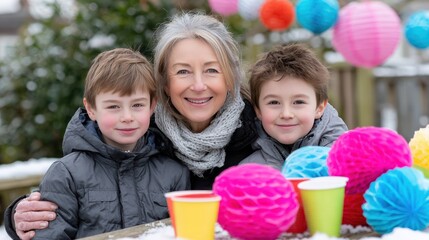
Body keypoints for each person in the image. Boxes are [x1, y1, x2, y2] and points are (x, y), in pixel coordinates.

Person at [5, 12, 258, 240]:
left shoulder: (260, 130)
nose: (199, 85)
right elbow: (74, 191)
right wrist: (20, 214)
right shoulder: (148, 132)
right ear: (164, 84)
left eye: (212, 70)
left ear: (230, 78)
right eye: (183, 72)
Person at [7, 48, 191, 239]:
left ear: (152, 106)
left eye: (137, 105)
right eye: (113, 106)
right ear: (91, 109)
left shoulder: (174, 173)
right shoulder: (66, 174)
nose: (127, 117)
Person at [240, 43, 348, 170]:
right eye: (274, 102)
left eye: (298, 102)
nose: (286, 114)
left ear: (319, 108)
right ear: (258, 110)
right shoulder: (249, 170)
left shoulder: (343, 160)